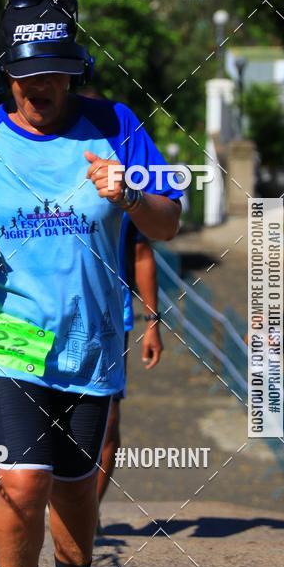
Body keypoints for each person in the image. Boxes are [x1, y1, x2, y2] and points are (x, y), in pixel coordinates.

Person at [0, 0, 182, 567]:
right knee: (23, 476)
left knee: (75, 483)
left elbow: (168, 220)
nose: (41, 87)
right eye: (27, 75)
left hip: (91, 338)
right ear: (4, 75)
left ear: (76, 71)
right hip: (4, 330)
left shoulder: (117, 124)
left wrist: (127, 191)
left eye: (56, 74)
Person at [98, 215, 163, 516]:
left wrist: (152, 321)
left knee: (107, 424)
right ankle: (59, 500)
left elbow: (141, 253)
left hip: (110, 321)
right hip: (40, 319)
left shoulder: (119, 184)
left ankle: (88, 511)